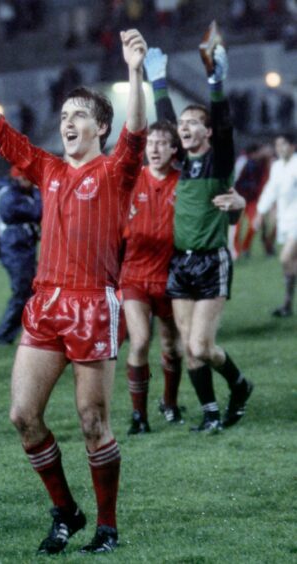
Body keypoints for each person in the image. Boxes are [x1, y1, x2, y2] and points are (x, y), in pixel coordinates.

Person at [0, 26, 147, 554]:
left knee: (91, 420)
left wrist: (134, 69)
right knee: (22, 416)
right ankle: (65, 511)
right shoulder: (48, 168)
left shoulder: (115, 170)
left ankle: (107, 526)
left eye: (79, 114)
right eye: (64, 116)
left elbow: (139, 133)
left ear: (101, 126)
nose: (68, 122)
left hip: (93, 304)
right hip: (47, 303)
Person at [147, 35, 253, 434]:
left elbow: (224, 125)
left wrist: (215, 85)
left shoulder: (217, 161)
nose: (185, 128)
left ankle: (239, 386)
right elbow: (165, 122)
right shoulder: (178, 167)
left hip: (211, 262)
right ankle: (210, 411)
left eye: (194, 123)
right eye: (183, 124)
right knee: (187, 348)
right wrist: (158, 81)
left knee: (200, 347)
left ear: (208, 134)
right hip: (180, 263)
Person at [119, 120, 184, 435]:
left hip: (171, 279)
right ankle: (138, 416)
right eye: (151, 143)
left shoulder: (183, 184)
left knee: (172, 346)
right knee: (141, 340)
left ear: (174, 149)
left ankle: (169, 403)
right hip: (134, 275)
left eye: (162, 143)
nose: (155, 149)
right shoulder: (131, 182)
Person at [0, 166, 42, 345]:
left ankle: (25, 332)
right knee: (21, 293)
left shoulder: (11, 192)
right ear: (18, 178)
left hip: (20, 248)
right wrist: (37, 192)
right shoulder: (10, 196)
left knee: (28, 292)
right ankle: (4, 336)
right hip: (14, 250)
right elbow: (38, 211)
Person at [255, 133, 297, 317]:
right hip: (285, 219)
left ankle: (288, 304)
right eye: (277, 144)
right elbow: (271, 190)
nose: (280, 148)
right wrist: (260, 212)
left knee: (285, 258)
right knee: (291, 262)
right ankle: (287, 304)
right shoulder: (277, 167)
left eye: (284, 144)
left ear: (293, 146)